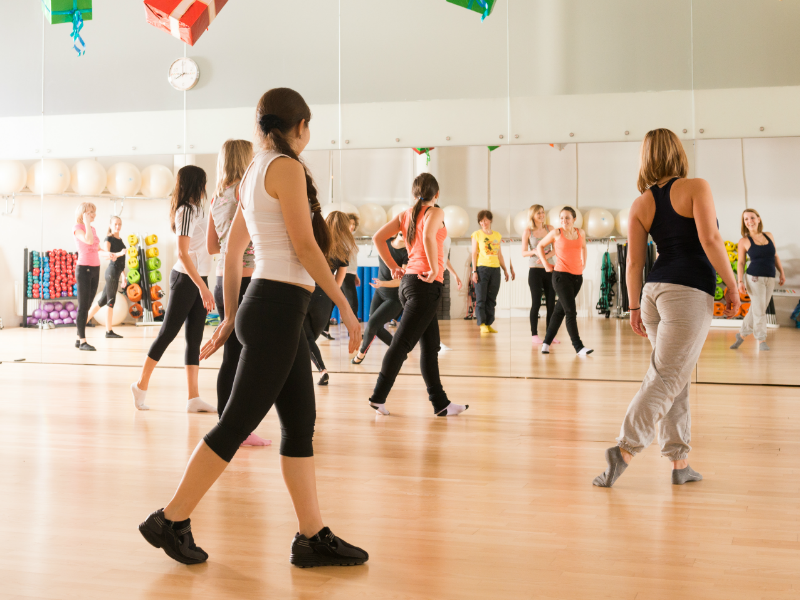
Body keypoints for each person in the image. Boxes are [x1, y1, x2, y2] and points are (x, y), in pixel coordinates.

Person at [138, 87, 367, 567]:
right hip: (279, 307)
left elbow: (231, 249)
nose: (309, 135)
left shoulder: (252, 174)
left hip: (266, 305)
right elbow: (305, 248)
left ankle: (311, 536)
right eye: (308, 127)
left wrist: (228, 318)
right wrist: (345, 306)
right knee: (236, 422)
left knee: (300, 424)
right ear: (298, 126)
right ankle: (170, 519)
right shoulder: (286, 168)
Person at [593, 128, 740, 488]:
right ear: (678, 153)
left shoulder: (641, 203)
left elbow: (633, 264)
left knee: (675, 377)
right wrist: (733, 284)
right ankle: (624, 449)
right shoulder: (696, 187)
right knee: (667, 377)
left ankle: (680, 463)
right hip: (687, 294)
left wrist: (631, 308)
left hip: (653, 294)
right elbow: (710, 239)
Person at [367, 173, 468, 417]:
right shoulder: (436, 212)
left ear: (414, 194)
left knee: (431, 347)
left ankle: (441, 404)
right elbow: (427, 237)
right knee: (401, 344)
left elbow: (378, 238)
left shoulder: (405, 215)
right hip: (425, 285)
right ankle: (378, 397)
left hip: (410, 284)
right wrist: (434, 268)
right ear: (437, 194)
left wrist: (393, 265)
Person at [130, 165, 217, 413]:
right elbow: (182, 253)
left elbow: (204, 247)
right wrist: (203, 288)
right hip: (186, 280)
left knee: (194, 338)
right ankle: (140, 384)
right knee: (167, 333)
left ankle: (193, 398)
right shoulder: (185, 211)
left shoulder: (197, 209)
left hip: (198, 279)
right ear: (195, 184)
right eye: (202, 183)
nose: (204, 188)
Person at [207, 139, 269, 447]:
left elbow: (211, 247)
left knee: (233, 354)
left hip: (221, 280)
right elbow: (244, 242)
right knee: (243, 355)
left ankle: (227, 423)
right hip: (244, 280)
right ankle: (235, 426)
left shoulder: (217, 198)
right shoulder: (243, 194)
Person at [303, 210, 355, 385]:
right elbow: (337, 285)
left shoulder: (313, 241)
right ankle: (321, 370)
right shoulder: (343, 252)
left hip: (305, 293)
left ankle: (322, 370)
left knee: (304, 338)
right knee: (307, 338)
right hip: (324, 299)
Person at [536, 207, 592, 356]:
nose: (564, 221)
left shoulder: (581, 233)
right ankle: (578, 347)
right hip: (561, 277)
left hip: (577, 278)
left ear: (574, 219)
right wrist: (546, 264)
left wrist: (583, 263)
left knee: (559, 311)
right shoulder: (556, 233)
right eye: (561, 218)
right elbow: (539, 246)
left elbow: (584, 247)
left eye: (567, 218)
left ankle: (546, 343)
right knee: (570, 311)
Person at [730, 209, 785, 351]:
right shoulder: (744, 241)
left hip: (770, 278)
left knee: (757, 308)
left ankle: (741, 335)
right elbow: (741, 263)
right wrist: (740, 282)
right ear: (744, 223)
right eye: (746, 219)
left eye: (752, 218)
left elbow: (775, 256)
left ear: (758, 219)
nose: (749, 221)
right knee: (760, 310)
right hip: (754, 278)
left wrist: (782, 273)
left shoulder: (769, 235)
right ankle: (761, 340)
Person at [351, 232, 408, 364]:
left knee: (371, 324)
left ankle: (360, 354)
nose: (404, 233)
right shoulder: (386, 241)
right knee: (375, 327)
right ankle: (400, 352)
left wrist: (383, 283)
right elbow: (376, 235)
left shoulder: (407, 253)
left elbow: (401, 280)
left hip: (394, 298)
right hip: (380, 293)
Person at [84, 215, 128, 340]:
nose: (117, 226)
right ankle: (109, 331)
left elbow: (121, 264)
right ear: (110, 225)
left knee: (102, 301)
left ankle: (82, 323)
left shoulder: (120, 240)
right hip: (111, 272)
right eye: (115, 224)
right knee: (110, 302)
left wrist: (124, 277)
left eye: (119, 224)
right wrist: (120, 253)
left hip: (117, 272)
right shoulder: (108, 239)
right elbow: (107, 255)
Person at [73, 202, 107, 351]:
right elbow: (88, 240)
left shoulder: (92, 228)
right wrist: (85, 222)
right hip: (84, 269)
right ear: (83, 213)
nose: (94, 215)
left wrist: (109, 254)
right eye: (91, 212)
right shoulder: (78, 228)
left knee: (87, 306)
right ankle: (82, 342)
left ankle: (78, 337)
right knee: (83, 307)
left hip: (95, 268)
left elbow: (96, 247)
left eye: (94, 212)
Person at [471, 210, 512, 334]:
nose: (483, 223)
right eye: (481, 221)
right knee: (481, 298)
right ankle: (482, 324)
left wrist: (505, 269)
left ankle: (489, 323)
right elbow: (474, 253)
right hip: (482, 268)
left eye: (486, 220)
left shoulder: (497, 235)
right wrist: (474, 271)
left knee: (492, 298)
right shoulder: (476, 234)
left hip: (495, 269)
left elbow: (499, 254)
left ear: (490, 220)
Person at [522, 204, 558, 345]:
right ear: (533, 216)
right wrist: (535, 252)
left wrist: (546, 255)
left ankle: (550, 335)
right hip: (535, 270)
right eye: (538, 213)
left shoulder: (551, 229)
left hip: (549, 269)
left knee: (551, 304)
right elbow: (524, 252)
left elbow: (557, 249)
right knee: (536, 303)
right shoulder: (528, 232)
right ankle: (534, 335)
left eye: (543, 213)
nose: (542, 215)